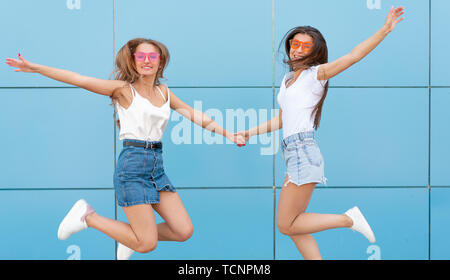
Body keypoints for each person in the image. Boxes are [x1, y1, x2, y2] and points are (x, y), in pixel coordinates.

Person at [6, 37, 244, 260]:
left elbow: (194, 115)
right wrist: (36, 68)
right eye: (141, 56)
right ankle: (89, 217)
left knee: (183, 230)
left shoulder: (164, 92)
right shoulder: (123, 90)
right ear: (133, 61)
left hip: (156, 166)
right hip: (133, 166)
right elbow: (78, 78)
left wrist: (228, 134)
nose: (147, 61)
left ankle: (131, 236)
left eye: (153, 56)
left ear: (161, 61)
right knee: (146, 244)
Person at [236, 6, 405, 260]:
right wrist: (249, 132)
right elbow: (282, 119)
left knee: (286, 224)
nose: (298, 49)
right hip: (293, 152)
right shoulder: (287, 81)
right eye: (295, 43)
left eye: (306, 46)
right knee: (295, 225)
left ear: (315, 52)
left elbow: (353, 56)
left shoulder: (317, 75)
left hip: (303, 151)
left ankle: (348, 219)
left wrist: (384, 30)